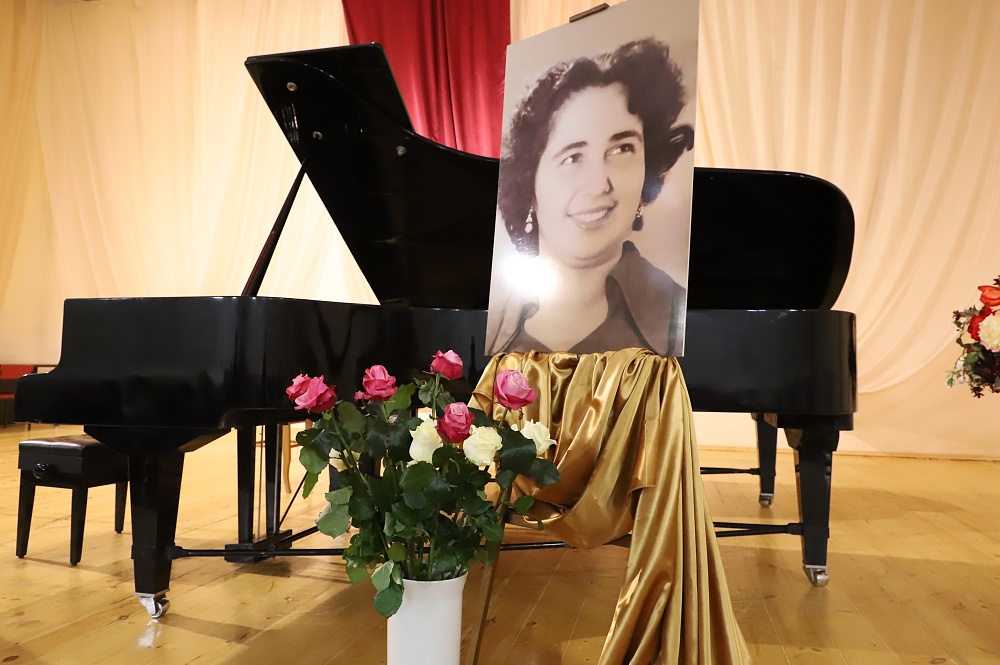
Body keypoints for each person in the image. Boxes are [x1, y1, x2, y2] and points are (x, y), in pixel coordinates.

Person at [486, 38, 694, 357]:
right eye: (573, 157)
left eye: (621, 149)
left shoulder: (681, 317)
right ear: (528, 183)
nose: (599, 185)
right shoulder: (489, 328)